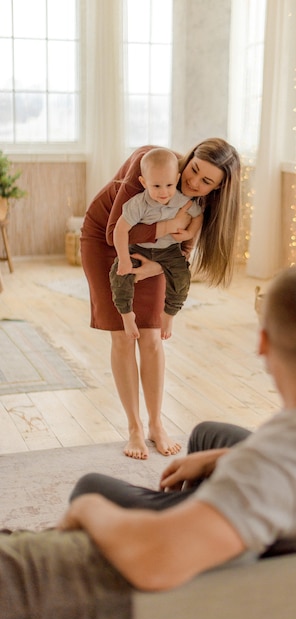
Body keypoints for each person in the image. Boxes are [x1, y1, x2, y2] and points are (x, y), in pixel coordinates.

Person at [0, 265, 296, 619]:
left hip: (257, 533)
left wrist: (88, 510)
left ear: (263, 343)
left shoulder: (268, 471)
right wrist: (225, 457)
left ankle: (181, 505)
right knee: (207, 434)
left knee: (92, 486)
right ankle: (202, 483)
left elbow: (155, 562)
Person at [80, 139, 241, 460]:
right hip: (105, 240)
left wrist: (155, 266)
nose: (193, 182)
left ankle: (156, 424)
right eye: (193, 169)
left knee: (152, 336)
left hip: (157, 251)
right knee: (125, 336)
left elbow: (183, 249)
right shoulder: (148, 164)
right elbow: (116, 231)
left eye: (206, 182)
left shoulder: (202, 200)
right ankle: (134, 428)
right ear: (189, 157)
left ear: (219, 189)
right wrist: (168, 225)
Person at [110, 147, 202, 340]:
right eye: (157, 186)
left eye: (169, 185)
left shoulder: (181, 201)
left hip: (168, 250)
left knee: (182, 277)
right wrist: (125, 259)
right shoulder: (138, 204)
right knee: (119, 273)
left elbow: (198, 215)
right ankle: (126, 314)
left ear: (176, 180)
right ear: (144, 183)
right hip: (139, 249)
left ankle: (169, 314)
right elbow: (119, 230)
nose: (164, 192)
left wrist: (190, 232)